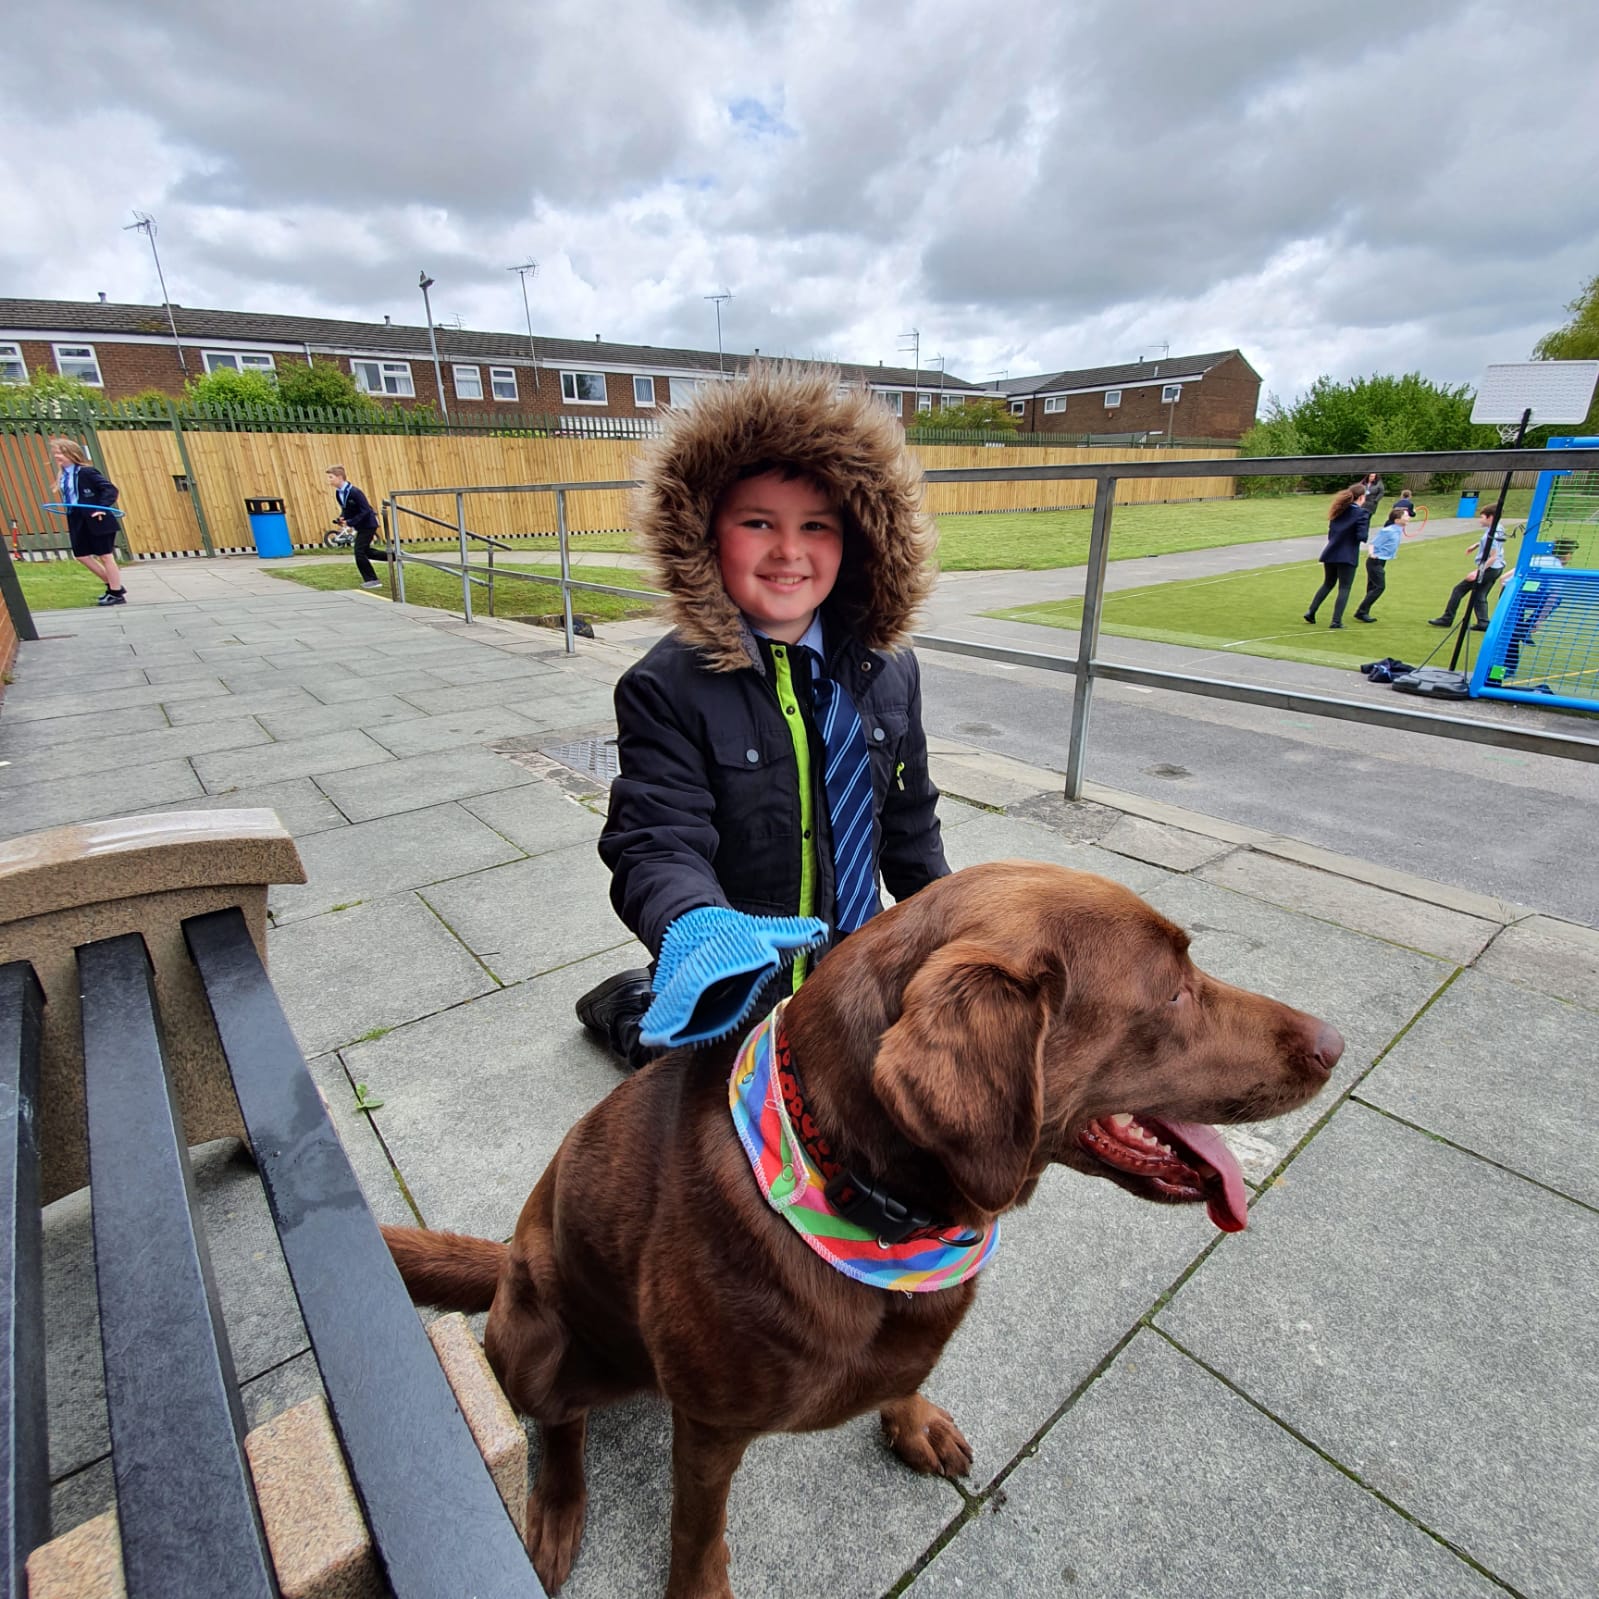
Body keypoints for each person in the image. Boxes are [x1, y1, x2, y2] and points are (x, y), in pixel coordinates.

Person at [575, 366, 948, 1070]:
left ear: (857, 540)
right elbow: (655, 837)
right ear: (705, 534)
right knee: (691, 1088)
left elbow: (908, 819)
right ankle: (630, 1006)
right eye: (757, 523)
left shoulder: (888, 667)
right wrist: (694, 923)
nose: (788, 551)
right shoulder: (666, 685)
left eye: (816, 526)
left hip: (852, 968)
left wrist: (950, 921)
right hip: (736, 968)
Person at [49, 438, 127, 605]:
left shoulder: (86, 472)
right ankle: (114, 587)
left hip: (96, 517)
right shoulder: (63, 475)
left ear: (72, 454)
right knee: (81, 555)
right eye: (55, 452)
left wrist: (101, 508)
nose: (57, 456)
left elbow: (110, 489)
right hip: (76, 517)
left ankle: (115, 593)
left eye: (60, 452)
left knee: (105, 556)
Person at [1501, 537, 1578, 678]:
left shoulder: (1537, 559)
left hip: (1509, 594)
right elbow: (1553, 597)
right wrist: (1537, 621)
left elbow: (1504, 579)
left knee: (1512, 631)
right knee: (1557, 598)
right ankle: (1524, 629)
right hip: (1520, 596)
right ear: (1565, 554)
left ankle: (1508, 666)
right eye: (1570, 553)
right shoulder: (1557, 568)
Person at [1428, 504, 1511, 630]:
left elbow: (1493, 556)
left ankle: (1447, 618)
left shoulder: (1492, 533)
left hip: (1490, 568)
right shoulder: (1499, 528)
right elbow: (1492, 545)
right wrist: (1477, 545)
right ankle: (1483, 623)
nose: (1480, 520)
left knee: (1458, 590)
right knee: (1480, 595)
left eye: (1482, 517)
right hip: (1497, 568)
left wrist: (1478, 572)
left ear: (1491, 518)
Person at [1303, 483, 1370, 629]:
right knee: (1344, 587)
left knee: (1328, 583)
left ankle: (1311, 611)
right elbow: (1362, 536)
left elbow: (1331, 533)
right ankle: (1336, 620)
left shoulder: (1338, 511)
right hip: (1347, 555)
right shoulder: (1361, 513)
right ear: (1361, 497)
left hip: (1331, 552)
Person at [326, 465, 387, 588]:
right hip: (360, 525)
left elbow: (365, 510)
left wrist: (351, 522)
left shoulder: (355, 492)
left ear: (339, 477)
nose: (329, 480)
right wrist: (342, 517)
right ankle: (395, 556)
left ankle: (373, 580)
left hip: (369, 524)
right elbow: (346, 508)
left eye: (331, 477)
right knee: (366, 552)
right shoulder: (339, 493)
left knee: (359, 552)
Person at [1352, 506, 1412, 621]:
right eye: (1405, 516)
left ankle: (1364, 613)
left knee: (1372, 587)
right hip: (1375, 561)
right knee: (1379, 587)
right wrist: (1371, 553)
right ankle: (1361, 611)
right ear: (1397, 520)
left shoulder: (1398, 529)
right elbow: (1373, 543)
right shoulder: (1388, 531)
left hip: (1382, 561)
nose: (1408, 517)